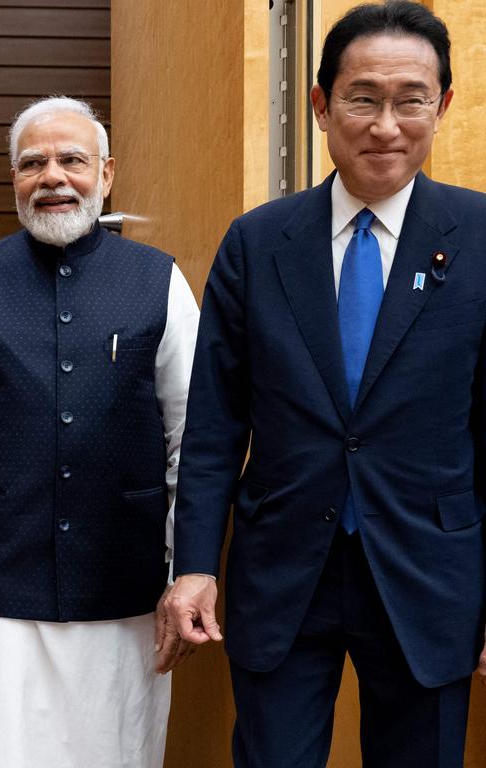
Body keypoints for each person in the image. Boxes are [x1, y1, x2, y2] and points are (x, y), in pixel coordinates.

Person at [163, 2, 486, 765]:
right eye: (362, 97)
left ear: (441, 104)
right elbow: (214, 427)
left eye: (411, 99)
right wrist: (196, 567)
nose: (385, 125)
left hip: (429, 572)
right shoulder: (257, 241)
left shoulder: (478, 238)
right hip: (283, 572)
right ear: (319, 104)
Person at [0, 96, 200, 768]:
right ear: (13, 178)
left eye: (72, 159)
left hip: (125, 589)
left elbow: (194, 438)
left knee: (117, 751)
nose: (53, 176)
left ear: (107, 172)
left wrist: (187, 571)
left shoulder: (159, 281)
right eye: (32, 163)